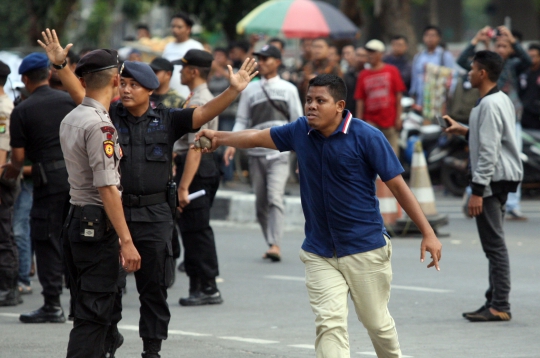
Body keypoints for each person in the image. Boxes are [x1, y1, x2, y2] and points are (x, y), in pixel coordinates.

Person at [40, 28, 257, 357]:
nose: (125, 89)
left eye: (133, 85)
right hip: (116, 214)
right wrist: (60, 67)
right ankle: (107, 342)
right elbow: (83, 91)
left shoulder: (167, 119)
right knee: (108, 288)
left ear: (149, 91)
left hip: (155, 216)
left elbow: (202, 114)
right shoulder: (109, 116)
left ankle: (151, 350)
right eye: (122, 83)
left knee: (154, 289)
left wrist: (233, 90)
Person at [196, 73, 442, 357]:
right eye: (308, 100)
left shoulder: (367, 137)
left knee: (376, 323)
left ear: (339, 105)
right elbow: (258, 137)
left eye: (320, 101)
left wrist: (428, 232)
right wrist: (219, 137)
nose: (311, 106)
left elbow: (398, 185)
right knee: (329, 324)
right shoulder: (301, 131)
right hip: (319, 251)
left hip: (365, 247)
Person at [55, 48, 142, 358]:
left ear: (83, 79)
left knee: (89, 310)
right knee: (93, 315)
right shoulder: (100, 126)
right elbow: (107, 188)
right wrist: (126, 240)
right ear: (117, 79)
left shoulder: (74, 117)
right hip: (95, 227)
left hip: (75, 219)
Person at [444, 50, 522, 322]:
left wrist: (477, 192)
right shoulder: (498, 99)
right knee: (494, 244)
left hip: (493, 178)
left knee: (494, 246)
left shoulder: (488, 105)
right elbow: (492, 137)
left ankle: (500, 304)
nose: (468, 72)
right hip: (500, 176)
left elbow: (488, 151)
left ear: (483, 73)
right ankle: (494, 301)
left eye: (472, 69)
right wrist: (463, 130)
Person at [4, 52, 76, 323]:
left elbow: (19, 157)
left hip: (47, 183)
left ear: (24, 79)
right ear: (48, 74)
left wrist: (11, 172)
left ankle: (52, 304)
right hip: (77, 179)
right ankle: (79, 302)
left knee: (46, 241)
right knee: (76, 239)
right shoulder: (69, 100)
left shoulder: (22, 110)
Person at [224, 44, 302, 261]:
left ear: (277, 61)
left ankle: (275, 244)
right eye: (260, 58)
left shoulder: (289, 89)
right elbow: (241, 120)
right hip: (255, 153)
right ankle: (270, 240)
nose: (263, 62)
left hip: (280, 153)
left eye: (267, 59)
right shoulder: (249, 89)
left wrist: (302, 154)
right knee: (260, 202)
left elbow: (297, 122)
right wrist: (231, 143)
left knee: (275, 196)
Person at [457, 26, 531, 221]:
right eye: (497, 45)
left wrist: (512, 38)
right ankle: (476, 191)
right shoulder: (487, 94)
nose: (501, 49)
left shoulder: (512, 66)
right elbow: (462, 62)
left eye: (504, 46)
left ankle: (509, 203)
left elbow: (528, 61)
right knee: (485, 153)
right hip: (494, 118)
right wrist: (476, 40)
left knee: (506, 159)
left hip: (511, 118)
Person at [172, 50, 222, 306]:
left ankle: (208, 286)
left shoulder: (200, 101)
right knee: (191, 228)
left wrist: (184, 186)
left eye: (182, 69)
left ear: (192, 71)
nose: (179, 73)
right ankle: (197, 284)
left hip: (196, 169)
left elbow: (196, 147)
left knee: (197, 228)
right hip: (195, 168)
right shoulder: (195, 97)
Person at [355, 40, 406, 155]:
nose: (370, 55)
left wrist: (399, 117)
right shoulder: (363, 75)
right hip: (371, 123)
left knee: (392, 157)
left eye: (373, 52)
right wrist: (359, 122)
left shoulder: (392, 71)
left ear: (381, 54)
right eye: (368, 52)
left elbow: (398, 96)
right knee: (372, 156)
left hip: (390, 122)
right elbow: (360, 100)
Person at [0, 60, 20, 307]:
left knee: (4, 234)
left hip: (2, 179)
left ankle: (9, 287)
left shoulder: (3, 108)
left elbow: (2, 149)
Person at [410, 25, 456, 106]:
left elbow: (452, 77)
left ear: (439, 38)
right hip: (421, 100)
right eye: (427, 35)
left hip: (439, 101)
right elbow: (415, 78)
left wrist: (449, 96)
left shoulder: (445, 56)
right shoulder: (418, 57)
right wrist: (413, 96)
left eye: (433, 35)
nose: (429, 38)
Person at [162, 12, 204, 98]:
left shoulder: (196, 46)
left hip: (188, 95)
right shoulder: (168, 47)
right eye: (173, 26)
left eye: (179, 27)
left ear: (188, 29)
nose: (175, 30)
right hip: (169, 96)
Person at [519, 43, 540, 130]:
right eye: (529, 56)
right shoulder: (524, 72)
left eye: (534, 56)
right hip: (526, 114)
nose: (531, 59)